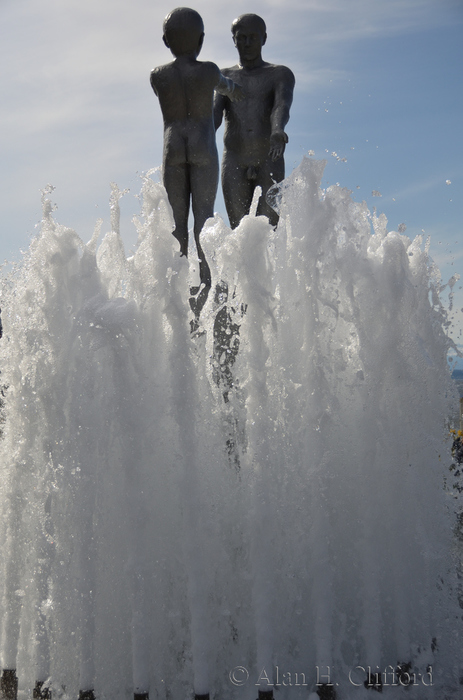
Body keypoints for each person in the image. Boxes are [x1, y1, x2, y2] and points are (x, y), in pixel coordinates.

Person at [150, 7, 244, 286]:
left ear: (166, 41)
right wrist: (239, 91)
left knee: (175, 225)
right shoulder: (209, 71)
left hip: (173, 147)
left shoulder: (158, 76)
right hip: (203, 145)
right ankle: (207, 284)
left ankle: (176, 289)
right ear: (201, 40)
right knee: (203, 219)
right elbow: (229, 88)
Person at [214, 14, 295, 228]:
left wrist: (277, 130)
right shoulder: (224, 77)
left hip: (269, 157)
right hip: (234, 160)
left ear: (264, 38)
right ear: (234, 40)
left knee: (269, 230)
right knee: (239, 233)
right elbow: (212, 117)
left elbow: (282, 105)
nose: (247, 43)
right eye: (241, 37)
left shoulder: (279, 74)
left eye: (253, 37)